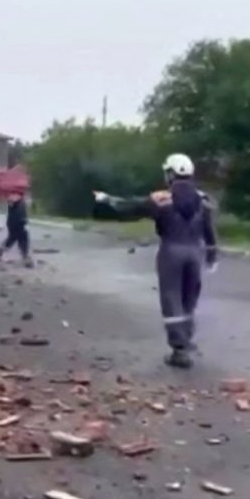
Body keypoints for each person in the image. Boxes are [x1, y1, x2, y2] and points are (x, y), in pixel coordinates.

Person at [93, 153, 218, 369]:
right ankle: (186, 339)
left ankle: (179, 350)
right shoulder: (203, 199)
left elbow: (130, 208)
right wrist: (212, 256)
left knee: (171, 299)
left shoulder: (161, 199)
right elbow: (209, 232)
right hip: (194, 252)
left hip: (171, 251)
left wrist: (106, 199)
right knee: (189, 298)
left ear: (171, 174)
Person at [0, 186, 33, 267]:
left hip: (13, 223)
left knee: (12, 239)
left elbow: (15, 211)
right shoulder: (19, 201)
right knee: (23, 238)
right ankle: (25, 258)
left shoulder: (14, 200)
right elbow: (20, 212)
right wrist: (24, 219)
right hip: (18, 223)